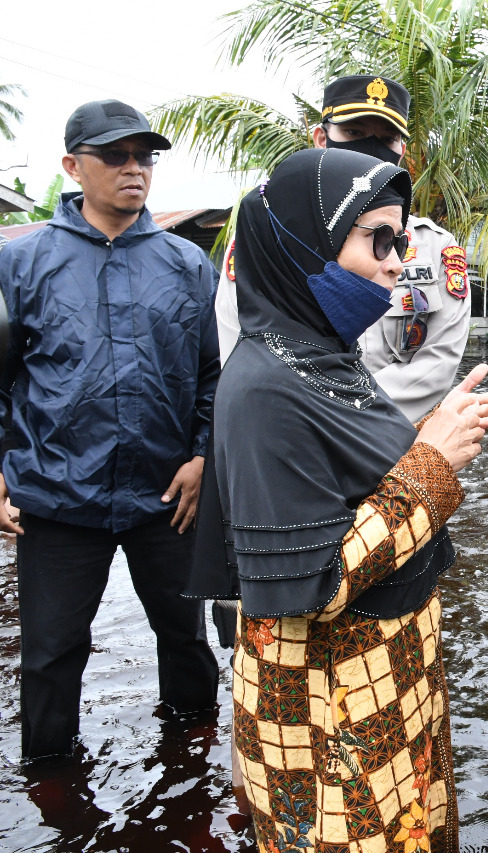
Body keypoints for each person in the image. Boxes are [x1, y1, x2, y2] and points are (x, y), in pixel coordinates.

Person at [188, 147, 488, 853]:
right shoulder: (266, 387)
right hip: (331, 715)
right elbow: (312, 584)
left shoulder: (324, 355)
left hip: (383, 683)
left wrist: (433, 434)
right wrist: (433, 462)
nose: (397, 263)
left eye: (400, 241)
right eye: (377, 240)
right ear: (305, 245)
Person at [0, 99, 220, 760]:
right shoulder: (22, 262)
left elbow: (211, 374)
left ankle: (192, 764)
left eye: (144, 157)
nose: (134, 169)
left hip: (166, 495)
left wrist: (202, 456)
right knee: (50, 653)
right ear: (73, 166)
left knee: (186, 638)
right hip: (58, 496)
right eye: (115, 156)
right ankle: (50, 778)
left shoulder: (186, 264)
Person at [215, 74, 470, 421]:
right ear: (322, 139)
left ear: (401, 151)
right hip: (294, 425)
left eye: (387, 138)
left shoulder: (434, 246)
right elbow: (240, 344)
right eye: (353, 132)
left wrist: (356, 417)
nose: (371, 148)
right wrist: (323, 418)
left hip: (398, 433)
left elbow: (438, 361)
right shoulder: (270, 237)